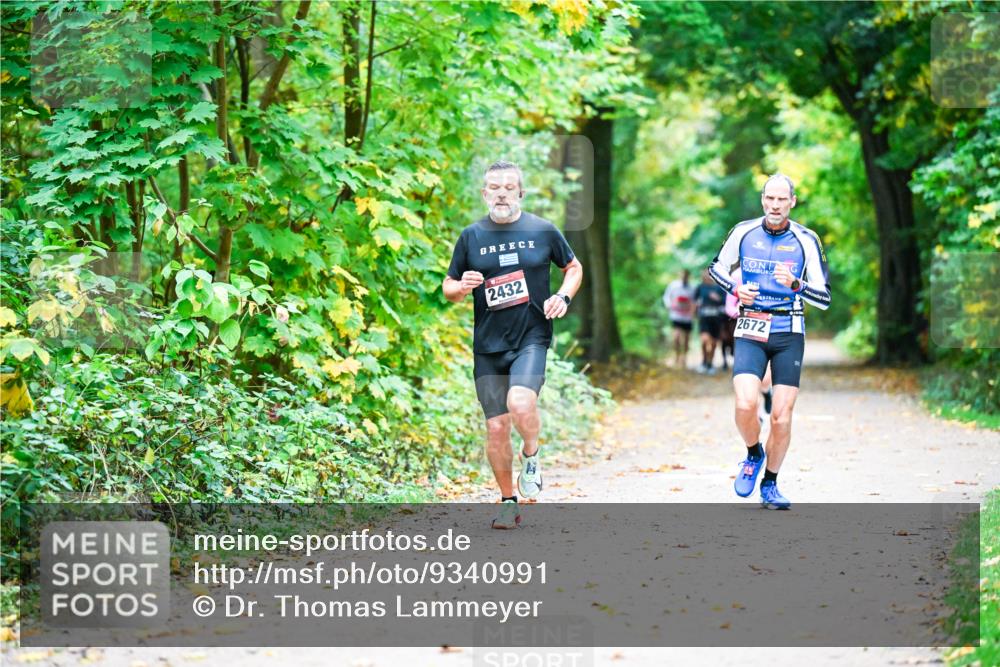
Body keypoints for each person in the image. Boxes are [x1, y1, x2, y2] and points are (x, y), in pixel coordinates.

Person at [443, 160, 583, 529]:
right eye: (494, 186)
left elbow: (573, 267)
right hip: (488, 345)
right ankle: (508, 500)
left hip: (531, 337)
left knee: (520, 403)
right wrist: (462, 287)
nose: (501, 192)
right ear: (484, 193)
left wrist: (564, 298)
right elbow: (449, 287)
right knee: (496, 427)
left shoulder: (542, 230)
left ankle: (532, 454)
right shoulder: (471, 236)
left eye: (509, 186)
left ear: (520, 191)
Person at [708, 173, 831, 509]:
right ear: (763, 200)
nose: (775, 205)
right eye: (770, 199)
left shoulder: (807, 240)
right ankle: (753, 453)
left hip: (788, 330)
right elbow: (716, 267)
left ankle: (771, 484)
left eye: (782, 200)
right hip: (750, 327)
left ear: (792, 202)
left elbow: (824, 298)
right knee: (745, 404)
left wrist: (796, 284)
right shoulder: (743, 232)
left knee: (781, 417)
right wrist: (736, 289)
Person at [693, 270, 727, 373]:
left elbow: (725, 301)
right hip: (704, 317)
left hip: (716, 319)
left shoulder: (720, 287)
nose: (706, 276)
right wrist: (694, 312)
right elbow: (695, 301)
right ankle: (703, 361)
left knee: (713, 343)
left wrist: (718, 299)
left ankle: (710, 364)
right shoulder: (700, 287)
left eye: (708, 274)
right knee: (704, 340)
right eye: (704, 274)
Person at [662, 270, 695, 368]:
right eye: (682, 275)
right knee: (676, 337)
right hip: (676, 316)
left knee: (686, 339)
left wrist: (692, 311)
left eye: (686, 275)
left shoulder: (692, 288)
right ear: (679, 275)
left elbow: (694, 301)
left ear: (688, 276)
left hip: (687, 317)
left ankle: (684, 357)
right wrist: (669, 306)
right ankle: (676, 356)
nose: (684, 277)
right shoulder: (673, 285)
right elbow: (666, 297)